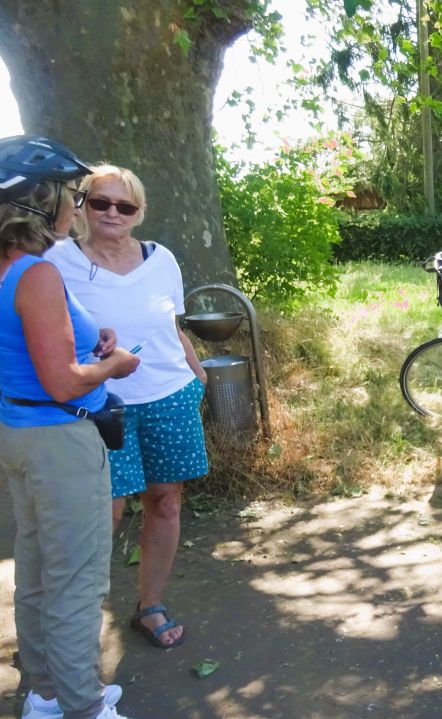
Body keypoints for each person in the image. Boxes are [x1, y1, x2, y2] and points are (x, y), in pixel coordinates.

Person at [0, 135, 139, 718]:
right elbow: (62, 382)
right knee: (77, 580)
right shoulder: (36, 273)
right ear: (40, 201)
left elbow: (25, 348)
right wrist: (114, 363)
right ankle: (85, 705)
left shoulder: (8, 268)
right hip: (61, 439)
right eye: (73, 195)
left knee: (36, 567)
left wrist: (90, 337)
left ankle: (45, 693)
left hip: (19, 433)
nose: (78, 207)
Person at [45, 164, 208, 651]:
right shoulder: (56, 260)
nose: (112, 213)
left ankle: (149, 605)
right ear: (82, 206)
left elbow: (172, 327)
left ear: (140, 212)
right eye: (100, 202)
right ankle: (77, 623)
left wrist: (197, 376)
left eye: (125, 205)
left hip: (169, 396)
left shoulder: (162, 260)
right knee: (104, 515)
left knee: (166, 502)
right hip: (100, 404)